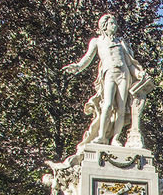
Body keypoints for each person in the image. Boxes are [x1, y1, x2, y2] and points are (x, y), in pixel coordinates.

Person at [63, 13, 148, 147]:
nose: (115, 26)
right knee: (107, 105)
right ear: (104, 26)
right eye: (112, 23)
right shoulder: (97, 41)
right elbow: (88, 58)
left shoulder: (121, 42)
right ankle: (102, 136)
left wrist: (138, 74)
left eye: (115, 23)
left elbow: (130, 63)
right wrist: (78, 67)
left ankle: (115, 138)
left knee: (121, 108)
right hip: (109, 73)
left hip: (123, 74)